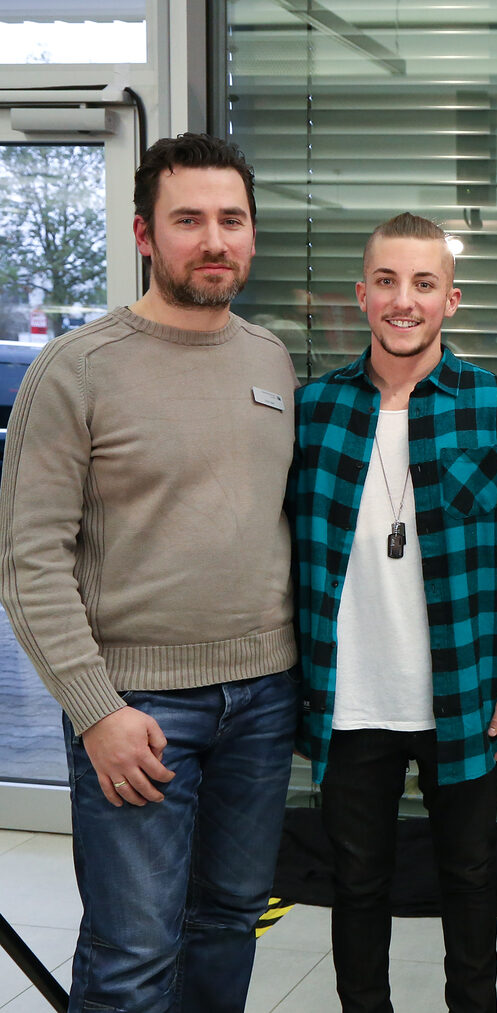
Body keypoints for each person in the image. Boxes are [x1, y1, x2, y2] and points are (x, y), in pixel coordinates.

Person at [0, 133, 298, 1013]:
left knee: (231, 921)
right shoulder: (77, 369)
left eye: (231, 219)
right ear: (143, 233)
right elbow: (27, 561)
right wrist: (97, 710)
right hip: (140, 710)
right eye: (189, 220)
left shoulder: (269, 358)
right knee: (132, 955)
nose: (215, 240)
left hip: (263, 698)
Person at [287, 212, 497, 1013]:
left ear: (451, 300)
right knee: (357, 885)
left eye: (423, 284)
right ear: (361, 295)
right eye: (388, 282)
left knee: (469, 880)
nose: (405, 300)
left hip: (462, 692)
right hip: (349, 695)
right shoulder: (313, 410)